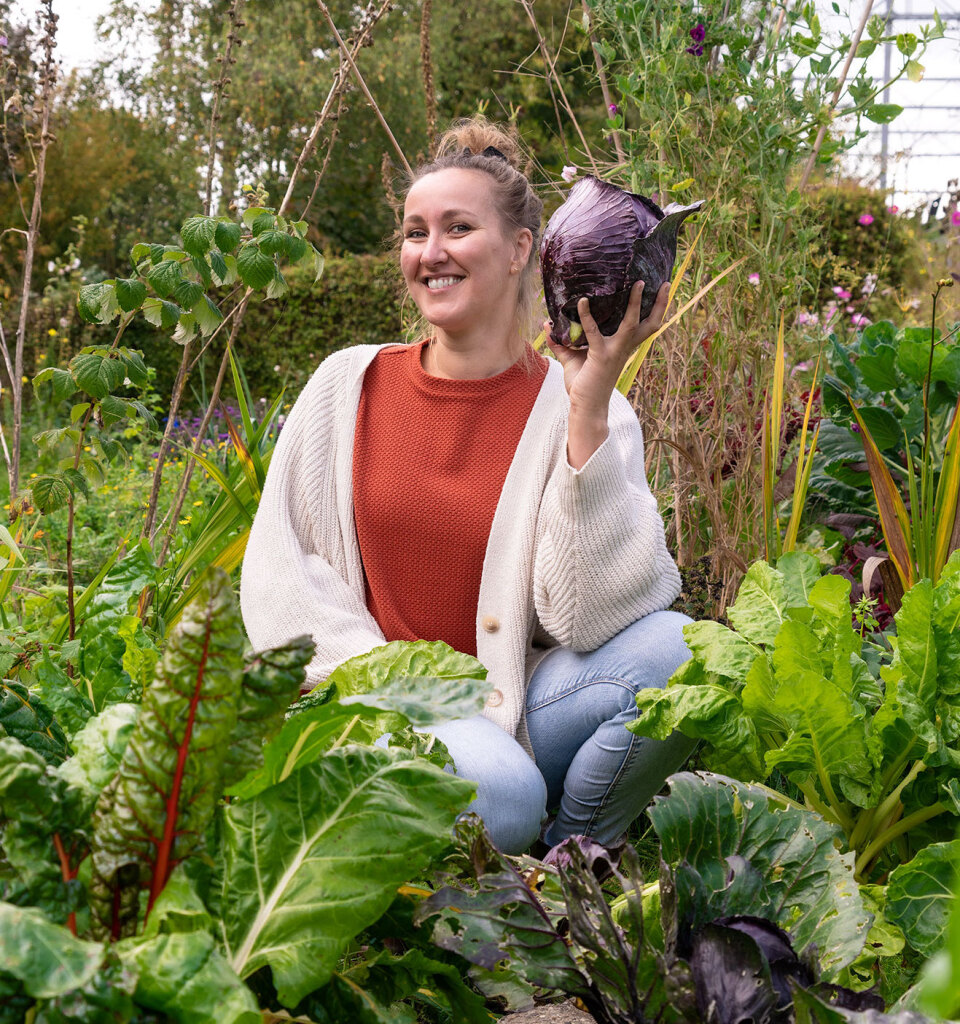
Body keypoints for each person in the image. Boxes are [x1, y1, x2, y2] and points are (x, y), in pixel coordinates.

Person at [240, 118, 694, 857]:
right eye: (415, 232)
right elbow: (280, 577)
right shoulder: (347, 384)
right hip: (390, 707)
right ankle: (521, 830)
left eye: (457, 228)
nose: (431, 252)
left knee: (681, 654)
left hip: (518, 705)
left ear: (521, 250)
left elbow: (586, 619)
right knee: (503, 797)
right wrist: (397, 686)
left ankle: (572, 859)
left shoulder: (589, 406)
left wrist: (587, 408)